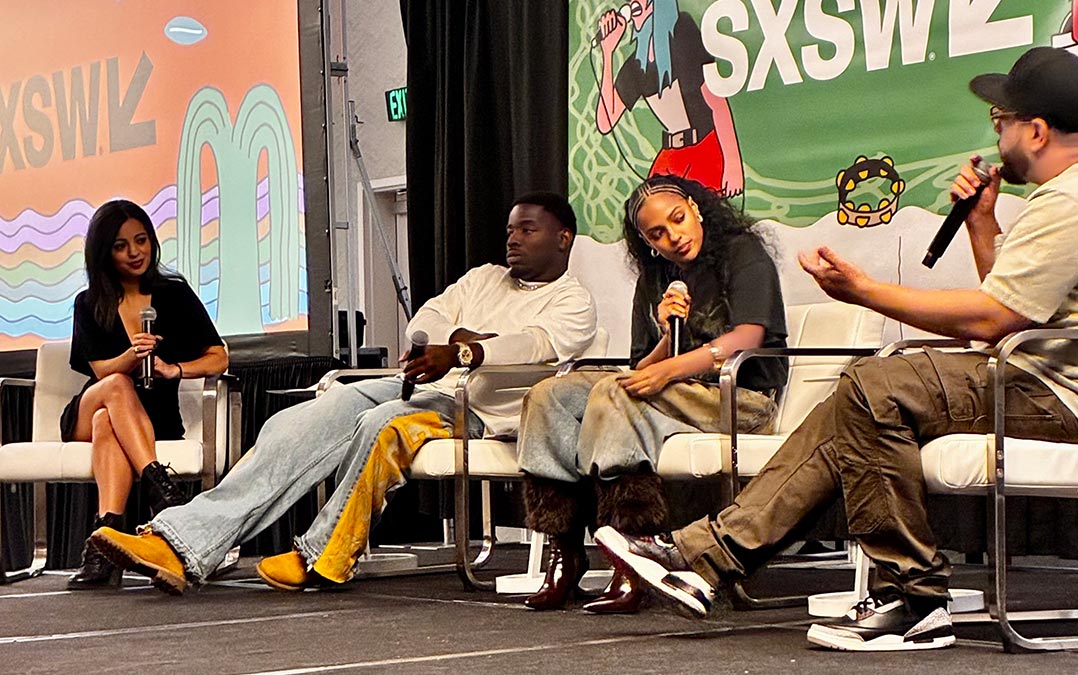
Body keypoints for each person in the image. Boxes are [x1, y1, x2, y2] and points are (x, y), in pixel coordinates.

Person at [595, 46, 1078, 651]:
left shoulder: (1077, 198)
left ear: (1037, 130)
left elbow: (995, 318)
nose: (996, 136)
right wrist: (980, 222)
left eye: (1000, 122)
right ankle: (704, 559)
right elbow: (1013, 297)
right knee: (858, 397)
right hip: (1040, 379)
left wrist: (862, 290)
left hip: (1071, 399)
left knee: (875, 385)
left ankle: (911, 598)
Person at [88, 192, 598, 595]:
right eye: (510, 229)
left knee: (381, 425)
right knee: (297, 420)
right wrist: (446, 341)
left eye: (528, 230)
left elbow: (536, 344)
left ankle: (323, 553)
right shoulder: (485, 278)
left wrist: (465, 352)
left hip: (479, 410)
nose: (513, 239)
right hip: (425, 387)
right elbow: (429, 316)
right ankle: (181, 543)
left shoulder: (573, 301)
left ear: (563, 238)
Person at [518, 174, 787, 613]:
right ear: (645, 241)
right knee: (550, 395)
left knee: (614, 394)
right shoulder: (655, 277)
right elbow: (643, 367)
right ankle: (564, 553)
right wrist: (666, 336)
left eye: (677, 220)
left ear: (695, 209)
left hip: (741, 397)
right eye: (656, 234)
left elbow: (748, 336)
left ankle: (633, 559)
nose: (673, 238)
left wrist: (669, 371)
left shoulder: (743, 252)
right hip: (674, 392)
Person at [62, 199, 229, 589]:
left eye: (141, 240)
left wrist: (177, 369)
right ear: (105, 252)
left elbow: (219, 356)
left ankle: (104, 546)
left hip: (146, 417)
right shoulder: (89, 302)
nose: (135, 252)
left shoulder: (173, 293)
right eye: (121, 246)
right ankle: (161, 488)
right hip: (89, 407)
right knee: (115, 389)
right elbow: (101, 371)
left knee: (111, 424)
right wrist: (131, 355)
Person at [594, 0, 744, 196]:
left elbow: (716, 101)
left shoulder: (682, 31)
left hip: (705, 148)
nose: (633, 3)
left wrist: (733, 165)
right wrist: (607, 52)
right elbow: (606, 121)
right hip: (672, 156)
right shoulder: (637, 64)